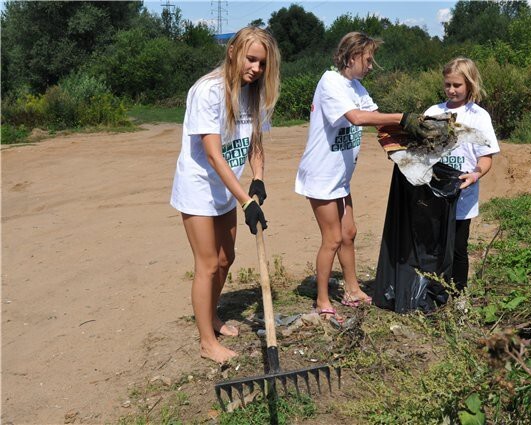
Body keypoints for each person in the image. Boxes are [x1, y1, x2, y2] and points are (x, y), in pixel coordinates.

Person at [295, 32, 428, 323]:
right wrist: (401, 117)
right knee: (331, 239)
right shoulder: (330, 82)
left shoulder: (356, 87)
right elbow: (357, 118)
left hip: (339, 177)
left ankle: (352, 290)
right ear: (352, 56)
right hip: (320, 175)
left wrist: (413, 141)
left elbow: (377, 120)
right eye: (368, 59)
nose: (371, 65)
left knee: (349, 233)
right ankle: (321, 300)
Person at [170, 27, 280, 363]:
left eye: (262, 64)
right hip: (199, 187)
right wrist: (244, 201)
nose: (256, 69)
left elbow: (255, 142)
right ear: (233, 51)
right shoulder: (208, 92)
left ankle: (212, 315)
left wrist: (257, 181)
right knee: (206, 265)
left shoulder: (252, 93)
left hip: (225, 187)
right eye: (251, 59)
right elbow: (214, 155)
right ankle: (206, 341)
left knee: (225, 259)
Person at [424, 57, 501, 293]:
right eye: (447, 84)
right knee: (432, 245)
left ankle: (459, 294)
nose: (451, 90)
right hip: (433, 194)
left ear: (470, 84)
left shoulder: (478, 117)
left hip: (462, 195)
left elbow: (486, 157)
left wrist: (475, 176)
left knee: (458, 248)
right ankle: (432, 291)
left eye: (457, 85)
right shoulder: (433, 112)